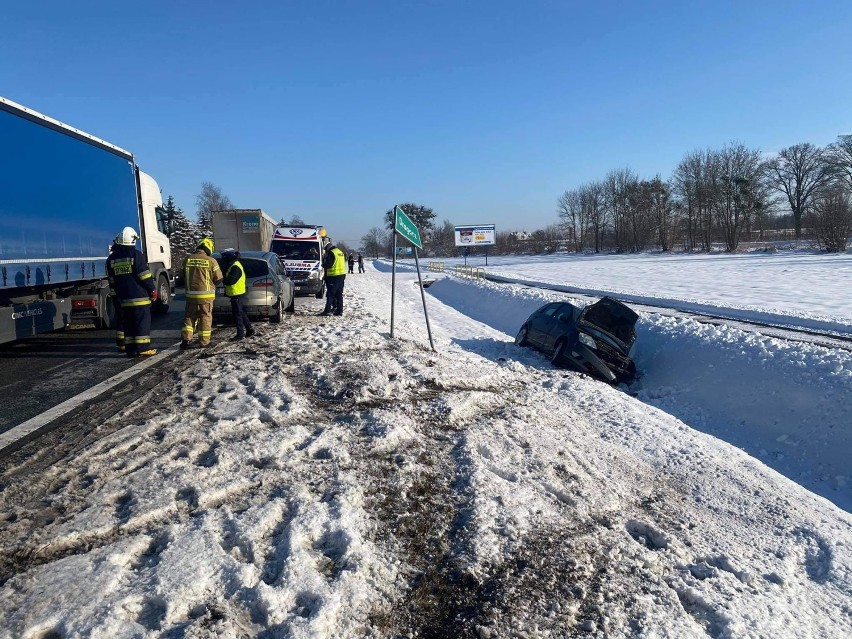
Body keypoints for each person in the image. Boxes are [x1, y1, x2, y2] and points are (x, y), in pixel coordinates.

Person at [105, 226, 158, 358]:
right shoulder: (136, 255)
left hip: (124, 298)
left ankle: (130, 349)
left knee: (128, 324)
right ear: (133, 240)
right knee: (141, 322)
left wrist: (116, 296)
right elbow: (144, 276)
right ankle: (142, 348)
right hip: (140, 297)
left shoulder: (111, 259)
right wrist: (152, 290)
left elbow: (112, 280)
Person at [181, 238, 223, 349]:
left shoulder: (188, 259)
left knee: (189, 317)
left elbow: (182, 275)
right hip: (206, 297)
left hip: (191, 296)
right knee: (205, 318)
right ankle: (204, 342)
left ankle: (186, 340)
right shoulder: (211, 261)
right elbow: (218, 278)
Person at [220, 249, 255, 341]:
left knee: (238, 314)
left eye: (224, 257)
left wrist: (223, 279)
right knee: (241, 312)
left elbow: (230, 281)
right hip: (236, 293)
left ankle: (240, 334)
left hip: (237, 294)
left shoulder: (235, 267)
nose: (223, 259)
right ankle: (249, 329)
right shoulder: (233, 265)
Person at [319, 240, 346, 316]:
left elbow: (329, 264)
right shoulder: (340, 252)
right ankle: (339, 311)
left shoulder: (331, 253)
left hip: (334, 276)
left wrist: (323, 264)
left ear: (328, 246)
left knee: (330, 294)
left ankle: (327, 311)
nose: (325, 250)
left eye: (325, 248)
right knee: (339, 294)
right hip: (341, 275)